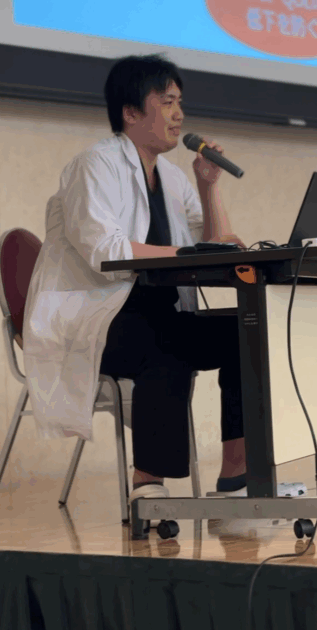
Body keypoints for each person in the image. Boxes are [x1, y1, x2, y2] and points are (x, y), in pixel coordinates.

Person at [23, 54, 248, 507]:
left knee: (249, 333)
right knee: (163, 343)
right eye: (166, 102)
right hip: (99, 317)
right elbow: (106, 251)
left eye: (179, 102)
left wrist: (209, 186)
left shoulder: (173, 178)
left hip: (158, 312)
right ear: (130, 111)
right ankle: (148, 486)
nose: (178, 114)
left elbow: (218, 245)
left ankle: (237, 478)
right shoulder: (95, 166)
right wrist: (185, 254)